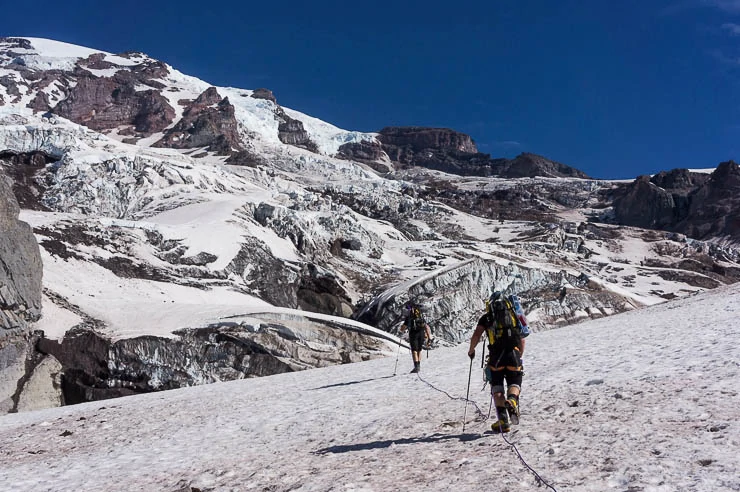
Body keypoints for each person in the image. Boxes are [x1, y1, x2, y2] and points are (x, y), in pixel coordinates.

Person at [467, 291, 529, 433]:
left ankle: (503, 421)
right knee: (515, 382)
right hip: (513, 353)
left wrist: (471, 350)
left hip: (496, 356)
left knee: (497, 386)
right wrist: (519, 355)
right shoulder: (514, 315)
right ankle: (512, 400)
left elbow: (476, 335)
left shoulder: (487, 317)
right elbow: (522, 338)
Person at [400, 303, 432, 373]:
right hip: (421, 333)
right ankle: (418, 366)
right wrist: (429, 337)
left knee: (414, 350)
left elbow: (402, 328)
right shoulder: (421, 316)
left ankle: (416, 367)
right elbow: (426, 327)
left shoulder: (409, 317)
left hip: (413, 334)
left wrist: (402, 328)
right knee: (419, 350)